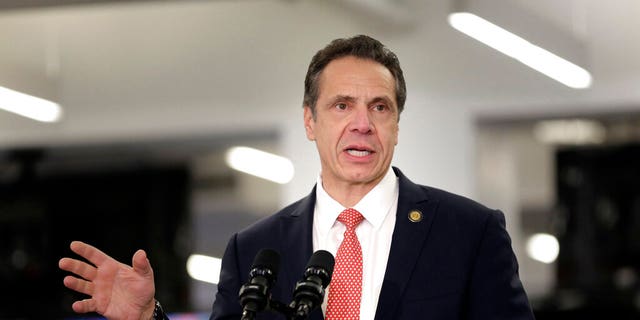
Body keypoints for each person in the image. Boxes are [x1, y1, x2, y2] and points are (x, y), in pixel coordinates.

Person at [59, 35, 535, 320]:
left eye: (380, 107)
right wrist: (150, 318)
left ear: (396, 124)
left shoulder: (469, 233)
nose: (362, 124)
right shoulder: (254, 249)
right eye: (341, 105)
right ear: (310, 121)